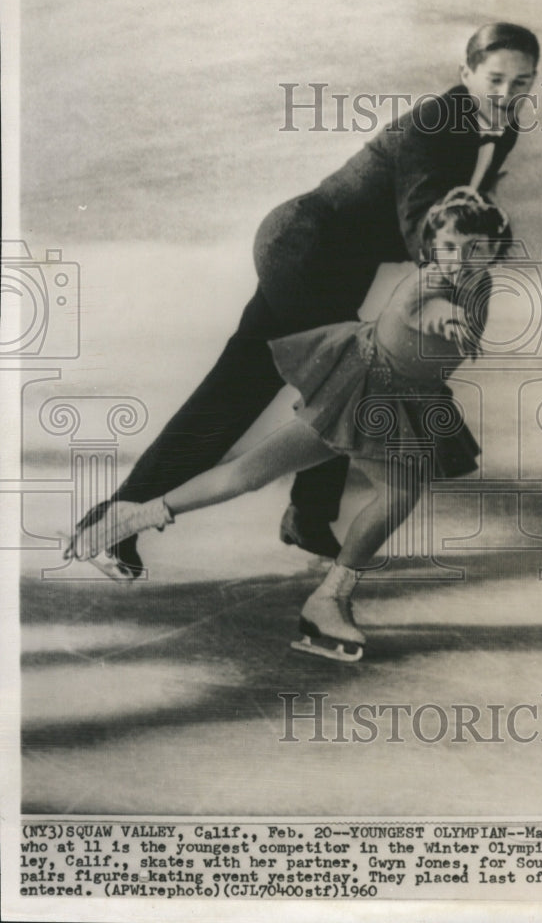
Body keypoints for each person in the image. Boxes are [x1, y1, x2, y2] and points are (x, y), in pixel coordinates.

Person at [71, 21, 539, 580]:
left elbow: (466, 210)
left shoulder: (502, 127)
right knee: (316, 385)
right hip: (305, 247)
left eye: (523, 82)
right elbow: (425, 224)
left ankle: (304, 517)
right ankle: (119, 522)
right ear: (466, 74)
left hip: (337, 261)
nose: (507, 94)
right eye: (495, 79)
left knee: (324, 383)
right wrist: (442, 293)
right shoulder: (434, 127)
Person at [67, 189, 512, 661]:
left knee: (256, 474)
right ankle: (326, 599)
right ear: (429, 250)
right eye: (447, 249)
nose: (459, 260)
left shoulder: (476, 287)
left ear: (495, 250)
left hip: (398, 403)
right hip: (360, 396)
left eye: (474, 250)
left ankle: (134, 517)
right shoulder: (426, 287)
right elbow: (420, 308)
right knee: (266, 476)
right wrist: (447, 317)